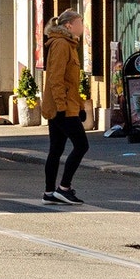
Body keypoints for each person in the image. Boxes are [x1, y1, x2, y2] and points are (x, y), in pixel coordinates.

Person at [40, 10, 89, 205]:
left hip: (66, 105)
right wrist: (62, 106)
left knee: (56, 149)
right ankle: (64, 188)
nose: (82, 27)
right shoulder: (61, 44)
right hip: (62, 106)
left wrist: (80, 106)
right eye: (79, 23)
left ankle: (49, 192)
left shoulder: (67, 43)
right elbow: (56, 77)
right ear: (69, 25)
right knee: (81, 145)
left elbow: (71, 82)